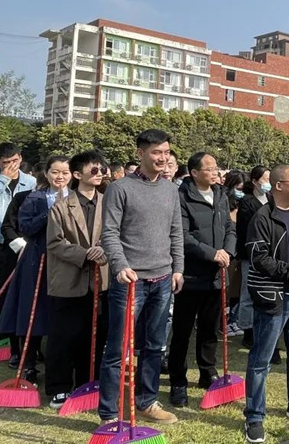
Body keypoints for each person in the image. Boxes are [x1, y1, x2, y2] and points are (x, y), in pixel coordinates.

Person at [99, 129, 184, 425]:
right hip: (130, 282)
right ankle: (109, 413)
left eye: (166, 152)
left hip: (163, 279)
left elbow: (176, 231)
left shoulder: (170, 190)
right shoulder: (120, 188)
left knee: (154, 345)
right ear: (140, 153)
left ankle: (147, 401)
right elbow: (109, 232)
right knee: (117, 348)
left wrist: (178, 268)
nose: (163, 158)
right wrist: (120, 265)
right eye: (156, 152)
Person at [243, 165, 289, 444]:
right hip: (272, 296)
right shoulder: (262, 217)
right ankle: (254, 416)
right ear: (278, 186)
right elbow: (259, 257)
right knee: (261, 360)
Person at [168, 152, 237, 408]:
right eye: (209, 169)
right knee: (182, 331)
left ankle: (207, 372)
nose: (215, 172)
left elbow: (229, 227)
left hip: (217, 274)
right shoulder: (181, 196)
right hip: (190, 274)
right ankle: (178, 380)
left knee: (209, 329)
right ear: (194, 173)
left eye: (216, 168)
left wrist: (227, 251)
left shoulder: (220, 194)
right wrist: (211, 254)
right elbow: (182, 235)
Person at [0, 155, 70, 386]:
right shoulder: (35, 197)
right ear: (46, 173)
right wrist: (51, 211)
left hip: (67, 262)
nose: (60, 177)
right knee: (33, 311)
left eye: (65, 172)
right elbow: (25, 226)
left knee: (62, 312)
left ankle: (60, 363)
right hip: (37, 259)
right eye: (55, 172)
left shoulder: (77, 197)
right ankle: (28, 364)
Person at [45, 150, 109, 409]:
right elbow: (54, 243)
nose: (99, 174)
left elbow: (118, 233)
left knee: (95, 336)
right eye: (93, 169)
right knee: (63, 336)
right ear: (77, 174)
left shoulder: (109, 203)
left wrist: (103, 249)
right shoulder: (61, 206)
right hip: (69, 280)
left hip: (101, 280)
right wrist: (84, 254)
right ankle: (59, 387)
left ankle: (88, 382)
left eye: (102, 169)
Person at [0, 143, 37, 352]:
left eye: (15, 161)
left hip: (18, 240)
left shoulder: (30, 181)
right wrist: (3, 179)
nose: (12, 165)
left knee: (13, 287)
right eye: (6, 162)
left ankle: (6, 330)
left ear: (20, 158)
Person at [235, 166, 270, 350]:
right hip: (250, 254)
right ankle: (247, 330)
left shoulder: (271, 199)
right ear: (255, 181)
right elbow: (248, 227)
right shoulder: (247, 202)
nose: (269, 183)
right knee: (248, 293)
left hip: (269, 254)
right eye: (265, 179)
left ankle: (263, 329)